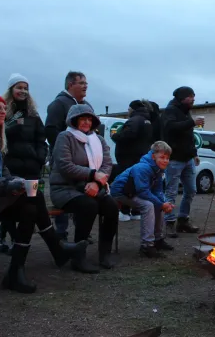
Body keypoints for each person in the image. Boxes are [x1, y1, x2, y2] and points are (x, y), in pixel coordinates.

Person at [0, 94, 88, 292]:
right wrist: (8, 186)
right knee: (33, 201)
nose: (3, 111)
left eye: (4, 107)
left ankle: (16, 272)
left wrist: (15, 182)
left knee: (31, 204)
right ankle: (57, 249)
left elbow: (2, 171)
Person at [49, 104, 118, 273]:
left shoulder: (99, 140)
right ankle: (78, 257)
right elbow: (65, 166)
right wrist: (92, 175)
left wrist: (97, 183)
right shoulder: (65, 137)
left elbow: (107, 165)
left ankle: (105, 253)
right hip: (65, 188)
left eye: (89, 119)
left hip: (93, 187)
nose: (86, 122)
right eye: (82, 119)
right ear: (73, 120)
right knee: (88, 205)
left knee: (111, 207)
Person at [0, 74, 49, 254]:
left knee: (32, 202)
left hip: (32, 167)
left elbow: (41, 138)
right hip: (11, 167)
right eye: (19, 87)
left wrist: (40, 157)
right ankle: (8, 238)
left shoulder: (33, 115)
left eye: (26, 88)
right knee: (12, 201)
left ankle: (18, 240)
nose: (23, 91)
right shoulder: (3, 111)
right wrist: (12, 125)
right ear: (11, 90)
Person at [45, 71, 91, 241]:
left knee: (83, 194)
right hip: (64, 160)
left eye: (86, 83)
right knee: (64, 190)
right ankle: (61, 232)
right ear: (70, 84)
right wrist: (63, 150)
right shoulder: (58, 104)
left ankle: (82, 230)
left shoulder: (86, 105)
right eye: (82, 83)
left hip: (85, 160)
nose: (86, 86)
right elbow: (50, 129)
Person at [110, 141, 175, 257]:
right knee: (148, 205)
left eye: (167, 158)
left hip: (132, 192)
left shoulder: (158, 169)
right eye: (162, 157)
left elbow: (158, 191)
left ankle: (157, 239)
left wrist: (164, 203)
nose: (165, 161)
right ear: (153, 156)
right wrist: (160, 204)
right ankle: (147, 245)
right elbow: (142, 191)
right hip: (121, 192)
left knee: (158, 203)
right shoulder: (143, 168)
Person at [161, 86, 203, 237]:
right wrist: (192, 122)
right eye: (190, 96)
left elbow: (188, 136)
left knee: (191, 190)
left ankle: (183, 220)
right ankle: (169, 222)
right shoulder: (170, 110)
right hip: (174, 159)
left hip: (188, 159)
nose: (193, 99)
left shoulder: (186, 111)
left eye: (194, 96)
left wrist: (194, 153)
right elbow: (171, 128)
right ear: (182, 98)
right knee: (171, 191)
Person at [111, 100, 154, 222]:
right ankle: (136, 212)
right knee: (137, 184)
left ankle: (125, 212)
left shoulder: (135, 120)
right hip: (140, 157)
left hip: (129, 158)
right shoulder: (147, 121)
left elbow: (128, 134)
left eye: (128, 109)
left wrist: (115, 136)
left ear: (133, 109)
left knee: (126, 183)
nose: (128, 111)